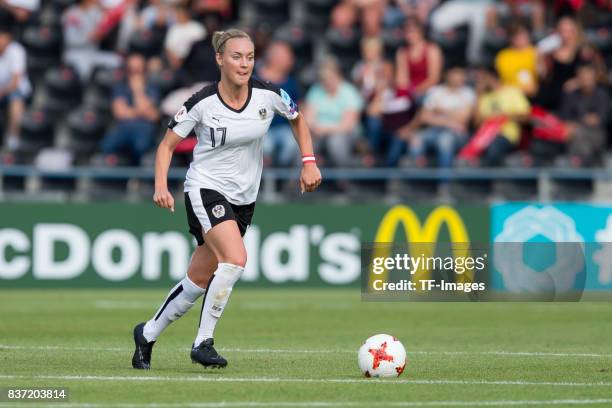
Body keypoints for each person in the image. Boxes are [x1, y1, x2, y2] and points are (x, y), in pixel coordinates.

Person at [131, 29, 321, 370]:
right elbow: (166, 146)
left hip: (244, 198)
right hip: (205, 188)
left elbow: (298, 119)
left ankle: (147, 333)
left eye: (249, 57)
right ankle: (203, 342)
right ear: (220, 59)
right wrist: (161, 186)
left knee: (197, 280)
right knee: (234, 259)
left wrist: (308, 162)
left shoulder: (268, 95)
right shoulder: (201, 102)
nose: (244, 63)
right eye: (237, 56)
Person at [405, 66, 475, 168]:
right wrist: (450, 121)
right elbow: (424, 116)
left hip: (457, 134)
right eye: (456, 76)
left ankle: (444, 181)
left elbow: (463, 119)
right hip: (435, 130)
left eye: (461, 76)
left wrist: (439, 111)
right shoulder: (436, 91)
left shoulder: (468, 93)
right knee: (416, 138)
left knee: (445, 140)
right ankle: (418, 175)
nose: (459, 78)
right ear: (448, 76)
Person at [99, 53, 160, 165]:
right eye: (131, 70)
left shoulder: (152, 88)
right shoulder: (120, 87)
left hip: (144, 130)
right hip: (123, 128)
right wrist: (141, 112)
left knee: (141, 145)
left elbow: (153, 116)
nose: (135, 74)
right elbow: (120, 113)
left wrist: (138, 91)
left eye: (138, 70)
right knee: (107, 145)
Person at [303, 57, 363, 167]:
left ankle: (343, 177)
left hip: (344, 133)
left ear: (338, 75)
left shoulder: (349, 92)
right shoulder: (315, 91)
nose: (327, 82)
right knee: (304, 141)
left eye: (330, 78)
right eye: (323, 79)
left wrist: (323, 129)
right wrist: (315, 129)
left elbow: (348, 125)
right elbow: (308, 118)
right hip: (319, 132)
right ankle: (298, 178)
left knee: (335, 142)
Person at [256, 40, 301, 167]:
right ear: (274, 58)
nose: (291, 60)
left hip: (284, 129)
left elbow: (298, 109)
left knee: (292, 144)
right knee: (266, 146)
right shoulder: (255, 80)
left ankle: (282, 179)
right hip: (261, 129)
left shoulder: (291, 82)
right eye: (288, 57)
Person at [475, 67, 530, 166]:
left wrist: (504, 116)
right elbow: (477, 122)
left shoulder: (512, 92)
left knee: (493, 148)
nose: (479, 81)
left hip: (507, 134)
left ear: (490, 77)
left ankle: (487, 179)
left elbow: (526, 116)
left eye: (482, 78)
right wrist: (478, 95)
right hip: (484, 136)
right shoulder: (484, 97)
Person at [560, 64, 610, 166]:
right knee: (576, 134)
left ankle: (580, 163)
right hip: (575, 133)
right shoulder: (572, 95)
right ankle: (584, 163)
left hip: (597, 134)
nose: (586, 79)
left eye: (588, 76)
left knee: (580, 135)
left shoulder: (602, 94)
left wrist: (579, 121)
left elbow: (601, 118)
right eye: (583, 76)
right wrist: (583, 120)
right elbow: (565, 115)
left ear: (594, 77)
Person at [61, 0, 122, 81]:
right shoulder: (72, 13)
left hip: (92, 52)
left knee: (117, 61)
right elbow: (71, 40)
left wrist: (102, 8)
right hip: (76, 52)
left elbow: (107, 22)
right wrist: (90, 38)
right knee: (83, 73)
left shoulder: (95, 12)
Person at [395, 17, 442, 101]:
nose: (409, 35)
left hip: (428, 90)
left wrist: (416, 91)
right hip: (411, 89)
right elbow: (402, 78)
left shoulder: (432, 49)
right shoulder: (402, 52)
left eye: (412, 31)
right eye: (406, 32)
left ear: (421, 32)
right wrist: (403, 93)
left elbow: (434, 78)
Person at [0, 25, 31, 151]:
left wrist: (2, 92)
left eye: (2, 37)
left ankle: (14, 139)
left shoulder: (16, 50)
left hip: (14, 90)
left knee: (16, 101)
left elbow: (16, 81)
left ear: (8, 38)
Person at [495, 23, 538, 97]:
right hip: (510, 93)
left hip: (532, 93)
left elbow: (540, 77)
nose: (520, 39)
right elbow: (505, 77)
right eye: (517, 36)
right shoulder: (503, 56)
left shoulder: (536, 52)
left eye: (523, 35)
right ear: (511, 38)